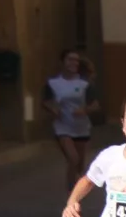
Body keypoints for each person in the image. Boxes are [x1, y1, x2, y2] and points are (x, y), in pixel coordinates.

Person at [42, 49, 101, 187]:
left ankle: (76, 187)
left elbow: (96, 105)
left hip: (81, 128)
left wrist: (84, 110)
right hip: (62, 126)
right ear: (62, 62)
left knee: (79, 165)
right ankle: (70, 195)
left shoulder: (84, 84)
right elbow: (45, 101)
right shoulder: (53, 83)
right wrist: (53, 109)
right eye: (70, 59)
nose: (73, 63)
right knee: (73, 159)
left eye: (76, 60)